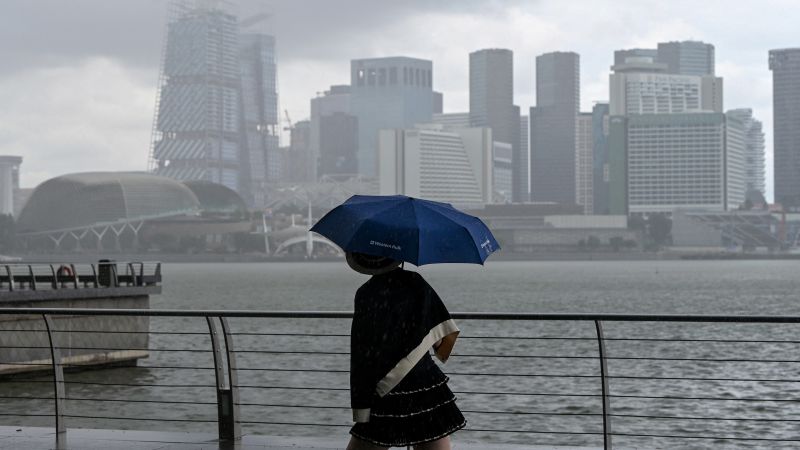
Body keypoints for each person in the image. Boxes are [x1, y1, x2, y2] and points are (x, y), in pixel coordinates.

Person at [345, 251, 466, 450]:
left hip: (384, 384)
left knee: (368, 440)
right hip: (423, 379)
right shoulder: (415, 283)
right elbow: (441, 334)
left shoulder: (366, 292)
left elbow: (362, 348)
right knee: (432, 436)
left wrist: (361, 399)